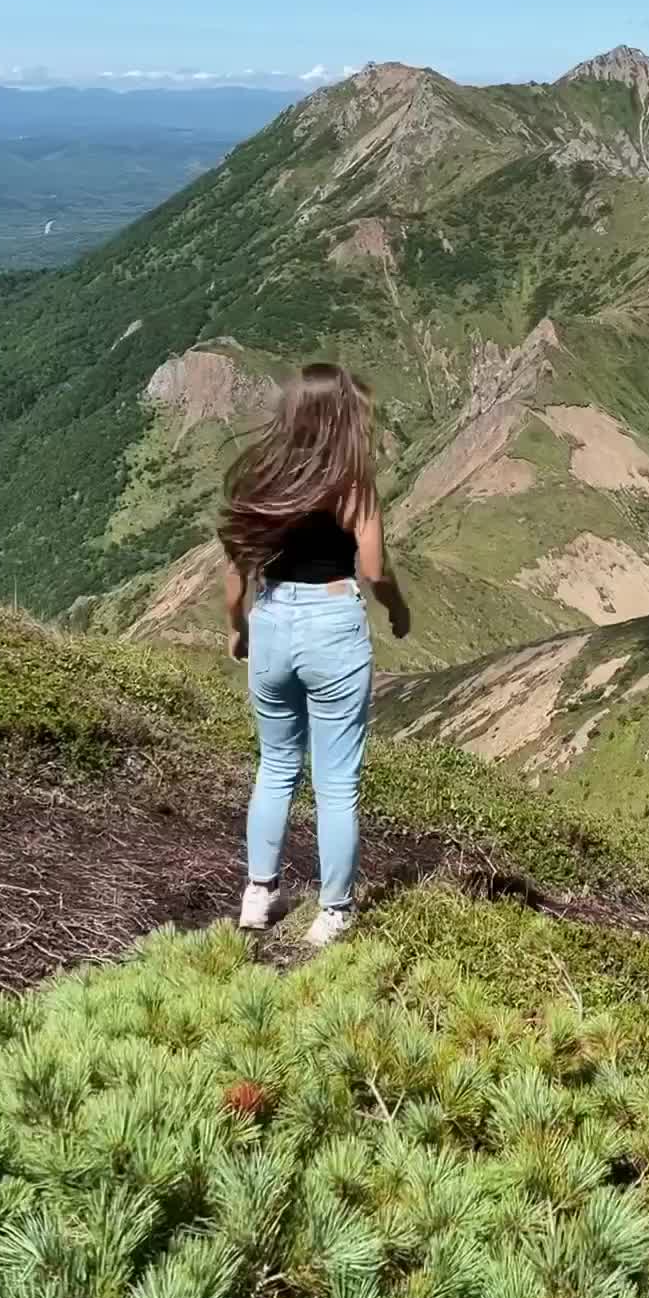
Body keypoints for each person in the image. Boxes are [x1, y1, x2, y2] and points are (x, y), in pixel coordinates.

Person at [219, 362, 410, 946]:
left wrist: (238, 628)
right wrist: (398, 607)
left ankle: (259, 892)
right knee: (336, 783)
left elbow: (236, 573)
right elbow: (374, 570)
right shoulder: (353, 482)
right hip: (332, 621)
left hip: (272, 617)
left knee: (275, 767)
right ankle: (333, 913)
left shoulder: (261, 477)